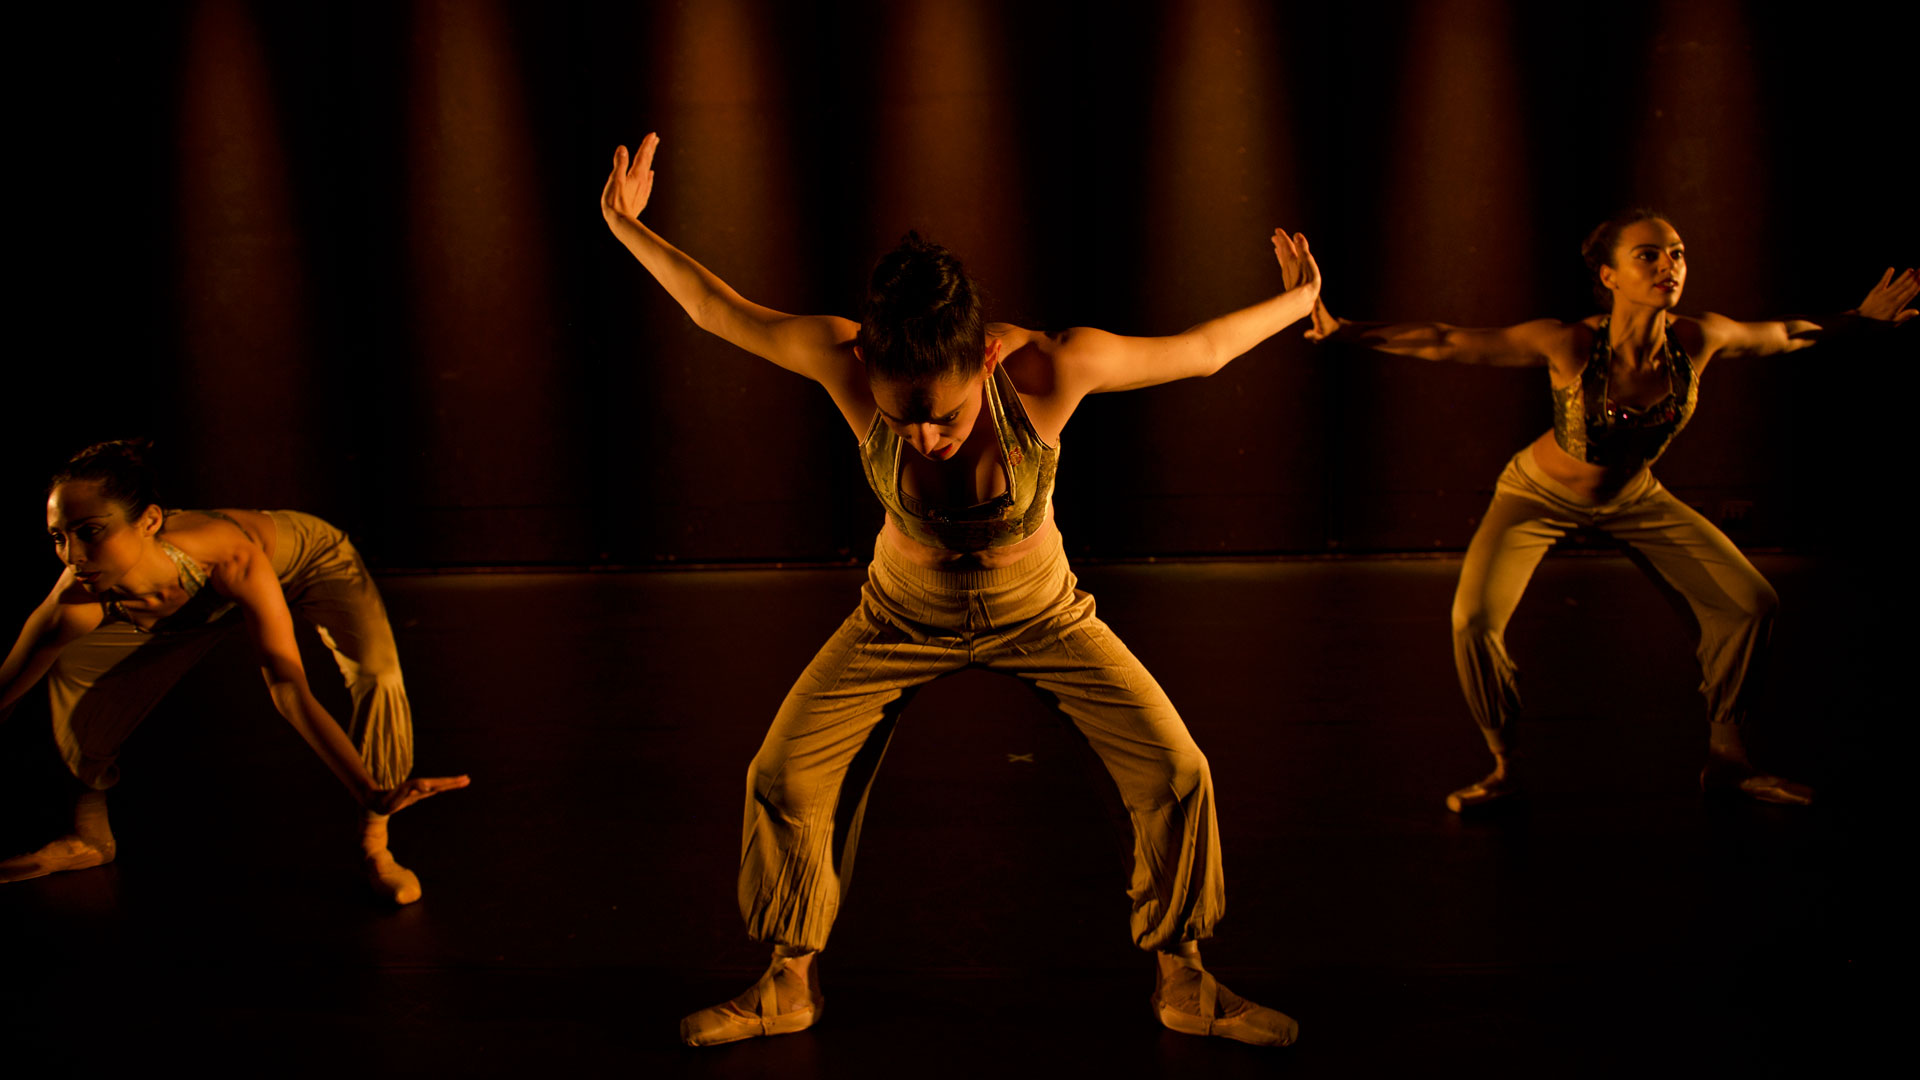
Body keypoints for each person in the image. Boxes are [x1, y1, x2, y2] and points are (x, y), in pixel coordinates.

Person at [603, 133, 1323, 1047]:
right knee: (782, 777)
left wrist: (1299, 298)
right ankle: (787, 980)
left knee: (1178, 773)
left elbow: (1205, 351)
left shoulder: (1050, 369)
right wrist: (627, 226)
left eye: (939, 419)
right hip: (899, 614)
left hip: (1043, 615)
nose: (920, 441)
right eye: (900, 421)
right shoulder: (847, 360)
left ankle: (1187, 977)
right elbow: (719, 311)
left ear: (983, 361)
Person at [1306, 210, 1918, 812]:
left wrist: (1861, 320)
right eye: (1647, 255)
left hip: (1636, 498)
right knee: (1472, 622)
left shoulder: (1699, 338)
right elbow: (1447, 341)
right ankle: (1502, 766)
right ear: (1610, 277)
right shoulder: (1570, 343)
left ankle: (1728, 759)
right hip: (1535, 495)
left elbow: (1785, 334)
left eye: (1676, 252)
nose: (1668, 266)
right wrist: (1342, 328)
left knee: (1752, 603)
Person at [0, 441, 470, 902]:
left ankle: (376, 843)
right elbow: (6, 689)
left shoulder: (224, 552)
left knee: (378, 673)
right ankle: (90, 837)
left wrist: (368, 790)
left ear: (149, 522)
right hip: (190, 601)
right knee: (78, 673)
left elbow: (288, 687)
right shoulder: (75, 602)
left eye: (90, 531)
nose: (72, 555)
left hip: (305, 562)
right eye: (59, 536)